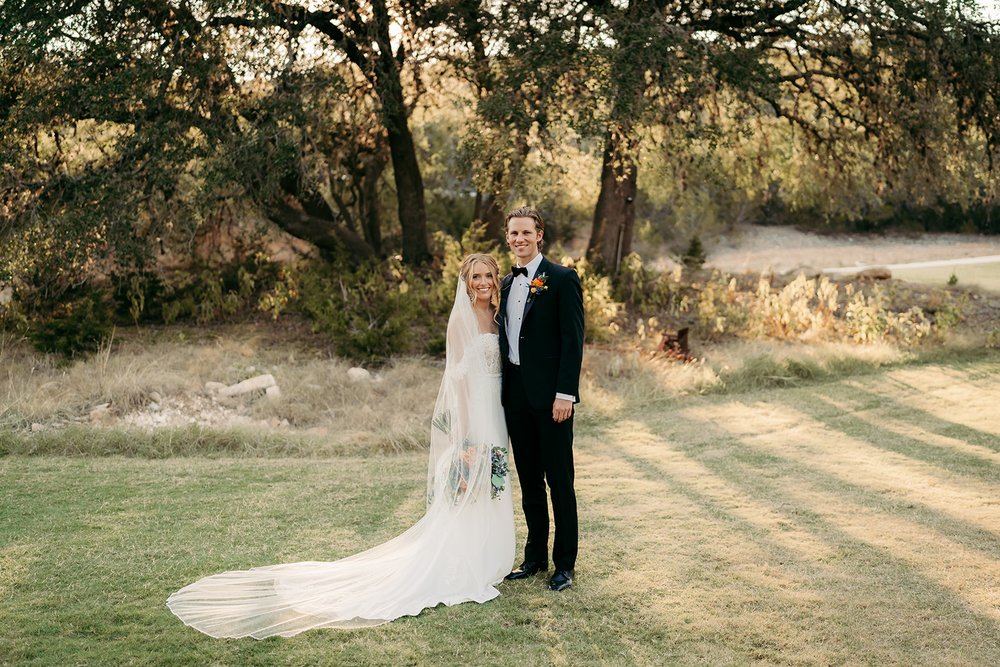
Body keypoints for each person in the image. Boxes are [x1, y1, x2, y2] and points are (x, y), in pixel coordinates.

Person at [167, 254, 514, 638]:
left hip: (498, 411)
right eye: (475, 276)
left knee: (494, 486)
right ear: (466, 282)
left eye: (487, 276)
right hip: (475, 416)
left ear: (496, 279)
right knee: (470, 486)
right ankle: (464, 565)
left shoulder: (499, 318)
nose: (482, 282)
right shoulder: (459, 321)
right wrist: (464, 436)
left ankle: (489, 559)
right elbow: (457, 382)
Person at [499, 206, 584, 592]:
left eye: (525, 233)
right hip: (514, 398)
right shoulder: (503, 284)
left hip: (553, 400)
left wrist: (565, 394)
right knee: (530, 481)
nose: (519, 239)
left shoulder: (562, 279)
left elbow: (573, 341)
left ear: (539, 235)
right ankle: (534, 557)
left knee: (559, 481)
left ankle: (564, 564)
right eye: (513, 233)